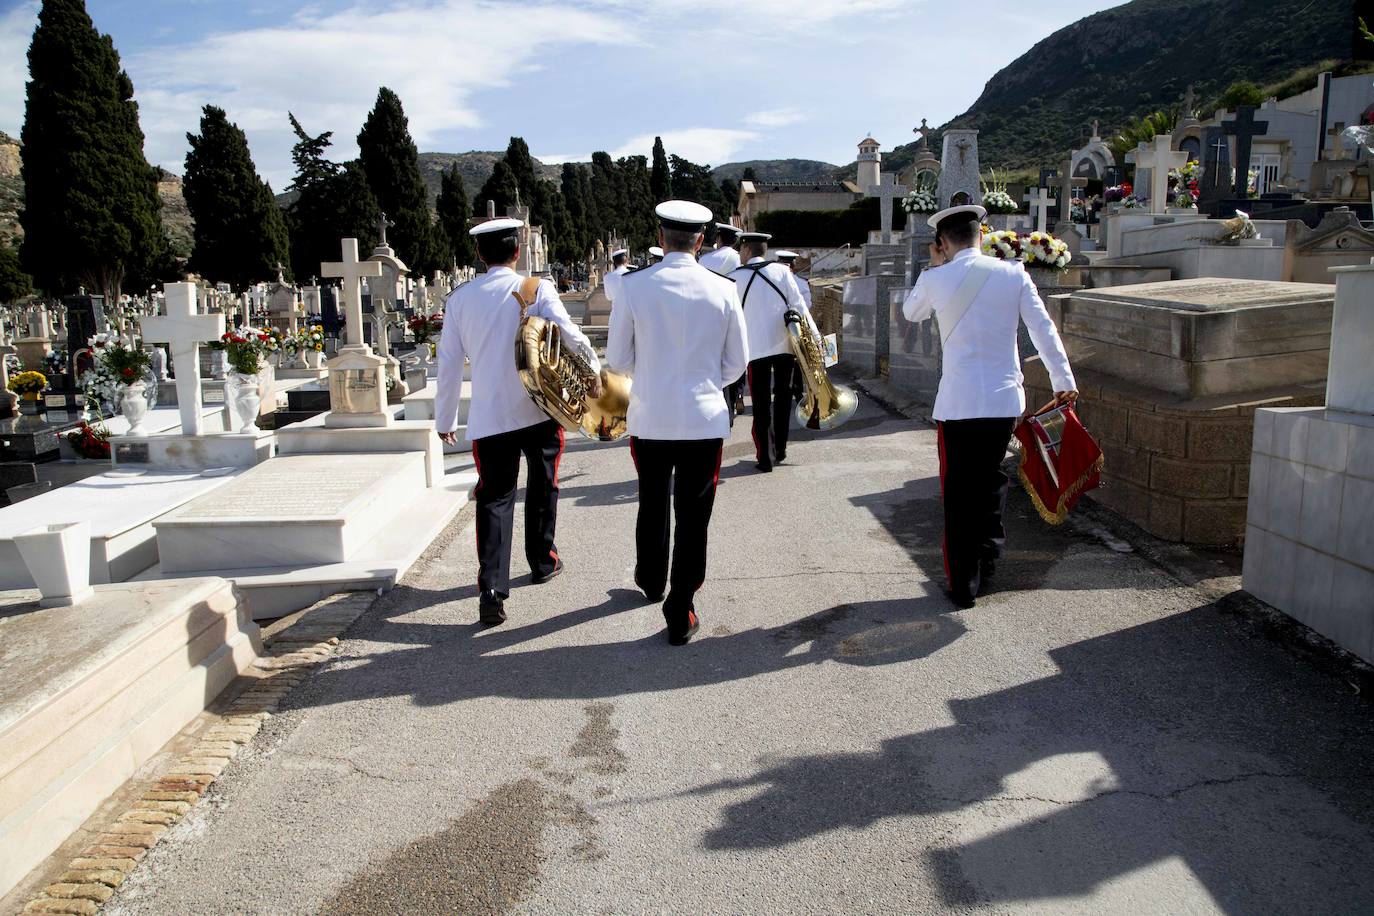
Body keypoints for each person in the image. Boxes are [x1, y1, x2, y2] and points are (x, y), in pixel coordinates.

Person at [900, 204, 1078, 609]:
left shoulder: (935, 277)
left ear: (942, 243)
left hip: (959, 402)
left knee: (958, 489)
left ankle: (963, 582)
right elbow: (1042, 329)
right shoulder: (1014, 273)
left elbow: (912, 313)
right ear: (982, 234)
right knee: (990, 479)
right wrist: (1063, 381)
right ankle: (989, 557)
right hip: (1002, 400)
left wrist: (931, 267)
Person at [435, 217, 603, 626]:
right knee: (544, 483)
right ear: (518, 251)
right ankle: (542, 561)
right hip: (539, 407)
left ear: (479, 254)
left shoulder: (459, 300)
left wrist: (444, 418)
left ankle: (492, 588)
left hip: (491, 415)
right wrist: (593, 369)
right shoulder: (535, 288)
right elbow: (568, 333)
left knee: (494, 497)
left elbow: (449, 363)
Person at [607, 200, 748, 645]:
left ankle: (651, 579)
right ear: (701, 240)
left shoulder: (633, 286)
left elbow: (617, 360)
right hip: (704, 419)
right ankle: (681, 604)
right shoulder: (723, 288)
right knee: (694, 514)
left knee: (652, 500)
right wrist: (703, 385)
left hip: (651, 415)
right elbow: (736, 363)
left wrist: (652, 379)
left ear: (662, 237)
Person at [731, 232, 819, 472]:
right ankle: (780, 449)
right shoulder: (782, 272)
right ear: (764, 249)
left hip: (755, 349)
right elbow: (799, 307)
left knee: (760, 404)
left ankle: (766, 457)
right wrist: (817, 339)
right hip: (785, 345)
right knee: (782, 400)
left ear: (747, 251)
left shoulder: (735, 278)